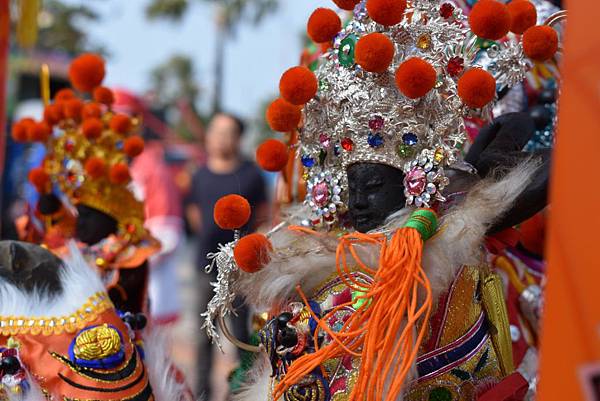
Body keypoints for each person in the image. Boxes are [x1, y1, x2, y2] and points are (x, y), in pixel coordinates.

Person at [202, 1, 559, 400]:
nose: (358, 202)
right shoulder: (326, 258)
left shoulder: (450, 244)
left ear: (413, 182)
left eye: (371, 188)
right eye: (353, 189)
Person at [186, 112, 268, 399]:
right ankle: (202, 393)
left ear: (238, 138)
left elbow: (262, 214)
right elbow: (193, 211)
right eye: (215, 131)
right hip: (203, 267)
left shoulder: (251, 174)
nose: (220, 137)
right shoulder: (199, 174)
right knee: (203, 336)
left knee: (240, 335)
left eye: (227, 132)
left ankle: (241, 392)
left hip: (239, 269)